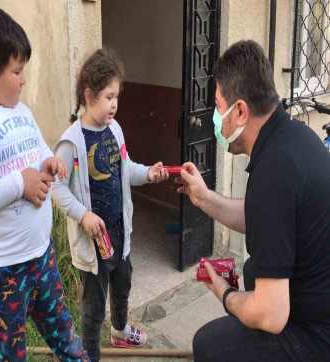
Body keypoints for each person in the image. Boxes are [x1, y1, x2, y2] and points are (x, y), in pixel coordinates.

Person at [0, 7, 88, 362]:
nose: (23, 79)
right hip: (4, 270)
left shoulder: (20, 112)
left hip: (41, 256)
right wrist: (19, 183)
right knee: (11, 355)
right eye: (17, 71)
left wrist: (50, 161)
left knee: (69, 343)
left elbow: (37, 150)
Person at [177, 40, 330, 362]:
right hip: (316, 309)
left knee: (209, 345)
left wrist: (225, 293)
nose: (216, 119)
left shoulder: (274, 173)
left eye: (219, 107)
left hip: (313, 334)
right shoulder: (295, 138)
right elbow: (263, 215)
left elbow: (270, 315)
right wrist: (204, 198)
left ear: (241, 111)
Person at [51, 49, 168, 361]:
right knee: (93, 305)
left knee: (122, 284)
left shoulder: (115, 130)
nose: (115, 104)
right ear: (89, 96)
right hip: (92, 242)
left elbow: (125, 168)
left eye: (117, 96)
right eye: (108, 96)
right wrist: (83, 215)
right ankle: (89, 354)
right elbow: (56, 189)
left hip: (118, 231)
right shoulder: (71, 142)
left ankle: (119, 332)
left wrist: (149, 174)